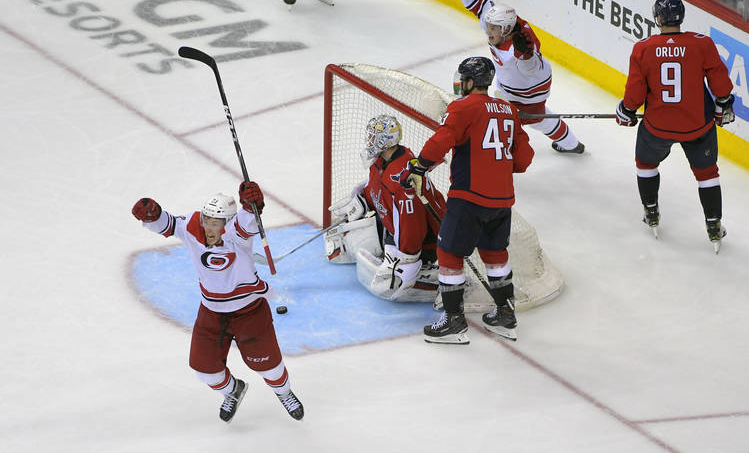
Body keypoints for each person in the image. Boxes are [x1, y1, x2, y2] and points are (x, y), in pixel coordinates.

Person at [131, 181, 304, 422]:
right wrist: (152, 215)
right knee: (205, 371)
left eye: (216, 223)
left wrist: (252, 205)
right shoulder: (193, 226)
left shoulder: (237, 234)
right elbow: (168, 224)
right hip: (212, 313)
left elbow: (248, 221)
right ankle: (234, 391)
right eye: (207, 220)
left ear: (228, 223)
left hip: (249, 311)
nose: (209, 227)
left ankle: (284, 393)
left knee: (269, 367)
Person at [402, 56, 534, 344]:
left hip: (469, 197)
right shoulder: (508, 110)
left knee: (449, 253)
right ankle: (505, 315)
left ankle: (454, 322)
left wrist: (419, 167)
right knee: (495, 254)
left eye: (463, 78)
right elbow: (524, 160)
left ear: (470, 82)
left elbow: (442, 140)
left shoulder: (462, 107)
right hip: (502, 200)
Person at [615, 0, 735, 252]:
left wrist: (625, 110)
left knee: (645, 164)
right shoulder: (702, 43)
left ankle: (651, 212)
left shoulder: (643, 48)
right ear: (681, 16)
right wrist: (723, 102)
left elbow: (634, 95)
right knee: (707, 173)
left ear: (657, 18)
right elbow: (722, 86)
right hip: (698, 126)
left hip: (657, 126)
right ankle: (713, 225)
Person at [450, 0, 584, 154]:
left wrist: (526, 56)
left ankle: (494, 154)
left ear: (505, 29)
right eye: (488, 26)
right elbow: (478, 3)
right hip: (515, 84)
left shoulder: (520, 47)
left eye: (492, 29)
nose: (488, 32)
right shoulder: (500, 24)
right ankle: (572, 144)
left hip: (529, 89)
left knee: (506, 120)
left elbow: (531, 69)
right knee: (542, 119)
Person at [325, 114, 447, 302]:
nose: (369, 140)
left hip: (424, 241)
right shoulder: (383, 161)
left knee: (384, 288)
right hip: (396, 231)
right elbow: (378, 186)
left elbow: (412, 225)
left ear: (384, 140)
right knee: (357, 243)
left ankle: (432, 275)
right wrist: (362, 199)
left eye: (373, 136)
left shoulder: (402, 182)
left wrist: (407, 257)